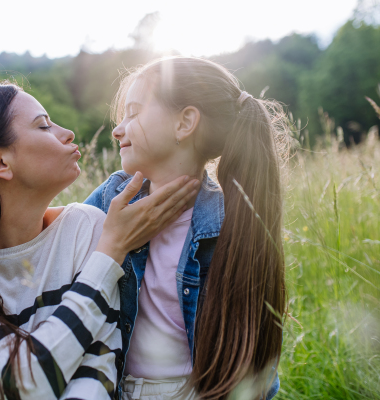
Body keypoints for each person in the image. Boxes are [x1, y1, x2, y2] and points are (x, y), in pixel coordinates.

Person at [0, 83, 200, 400]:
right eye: (44, 126)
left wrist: (107, 247)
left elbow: (98, 371)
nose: (67, 133)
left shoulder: (86, 231)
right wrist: (109, 254)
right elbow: (28, 384)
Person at [85, 56, 289, 400]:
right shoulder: (109, 200)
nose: (118, 129)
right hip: (113, 390)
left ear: (185, 123)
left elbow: (255, 356)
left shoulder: (231, 219)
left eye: (133, 112)